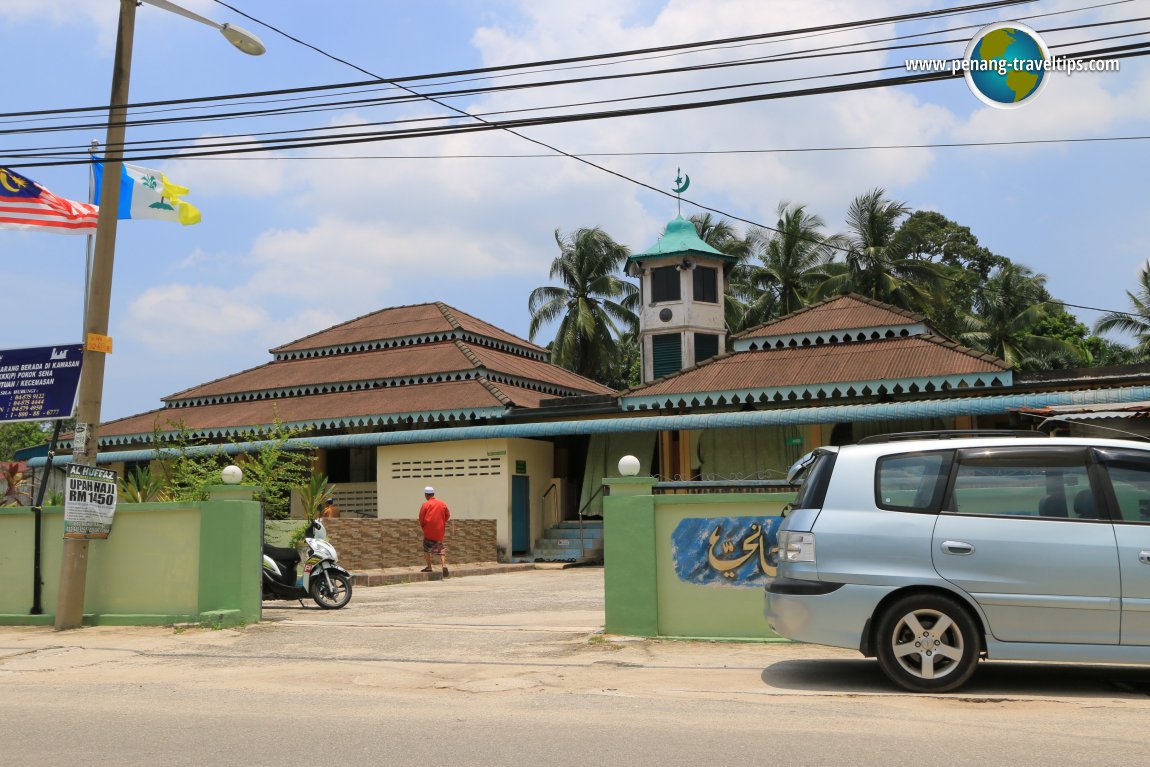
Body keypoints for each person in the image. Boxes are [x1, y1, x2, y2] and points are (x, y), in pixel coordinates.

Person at [418, 486, 451, 577]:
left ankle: (429, 567)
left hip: (429, 531)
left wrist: (424, 527)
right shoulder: (442, 503)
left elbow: (421, 518)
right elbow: (447, 515)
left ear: (426, 495)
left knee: (426, 549)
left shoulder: (426, 505)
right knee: (440, 549)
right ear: (433, 494)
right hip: (440, 531)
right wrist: (441, 522)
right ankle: (443, 565)